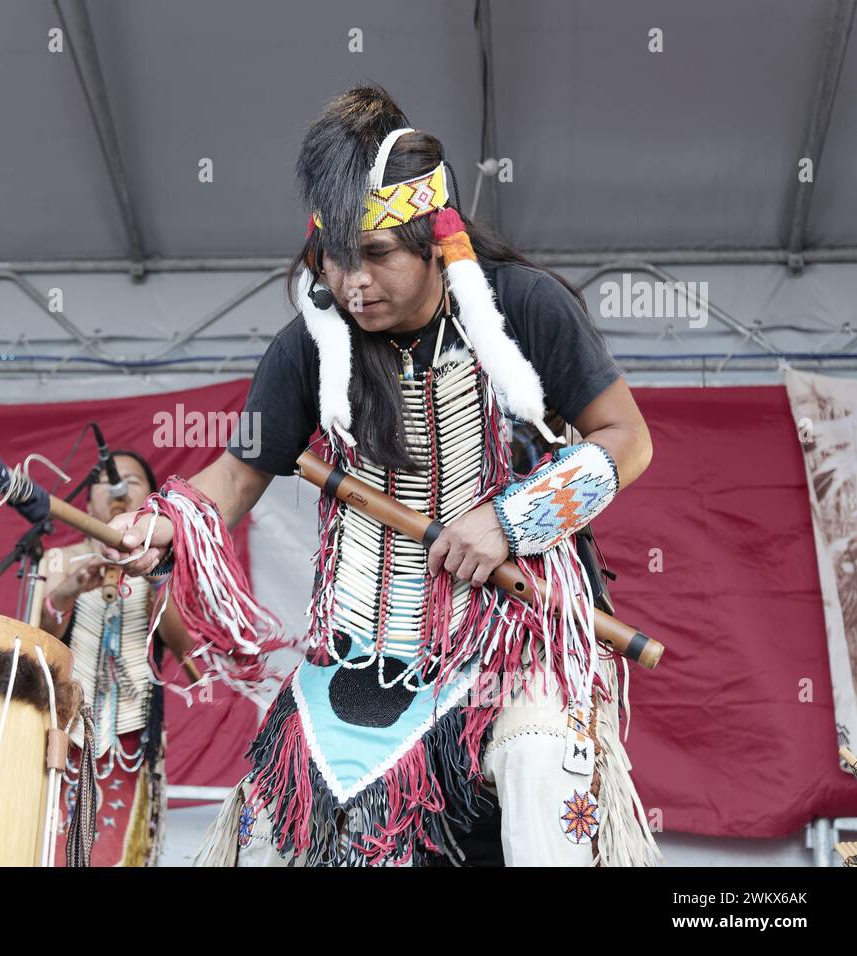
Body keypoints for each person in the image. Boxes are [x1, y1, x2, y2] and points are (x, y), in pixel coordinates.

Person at [103, 85, 662, 867]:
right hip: (365, 648)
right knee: (268, 820)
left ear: (436, 240)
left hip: (514, 638)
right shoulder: (310, 345)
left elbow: (627, 440)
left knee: (541, 768)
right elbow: (235, 477)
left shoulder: (524, 308)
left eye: (376, 256)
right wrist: (162, 524)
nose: (352, 282)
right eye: (334, 257)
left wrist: (509, 519)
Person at [40, 449, 186, 867]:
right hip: (63, 727)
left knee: (117, 848)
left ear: (150, 502)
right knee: (52, 841)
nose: (119, 487)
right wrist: (66, 591)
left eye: (132, 480)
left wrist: (160, 578)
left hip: (131, 730)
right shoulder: (58, 559)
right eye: (107, 479)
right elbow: (35, 641)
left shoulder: (164, 566)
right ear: (87, 502)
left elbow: (184, 647)